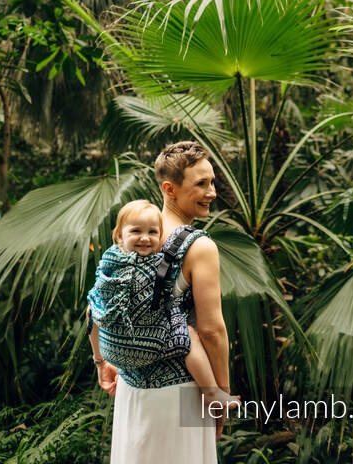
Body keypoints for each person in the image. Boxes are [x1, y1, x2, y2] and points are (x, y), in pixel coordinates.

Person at [88, 141, 236, 464]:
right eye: (201, 184)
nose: (212, 192)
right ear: (170, 188)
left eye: (212, 182)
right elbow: (211, 331)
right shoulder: (199, 246)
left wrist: (103, 361)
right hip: (181, 392)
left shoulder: (131, 235)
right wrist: (219, 393)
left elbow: (95, 307)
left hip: (131, 388)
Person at [87, 199, 240, 409]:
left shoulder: (109, 261)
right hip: (151, 349)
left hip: (117, 358)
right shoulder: (160, 263)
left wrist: (100, 360)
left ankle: (102, 358)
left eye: (152, 232)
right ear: (120, 235)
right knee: (190, 337)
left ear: (160, 238)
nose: (144, 238)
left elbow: (91, 311)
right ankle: (212, 392)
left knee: (92, 308)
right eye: (136, 231)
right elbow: (208, 330)